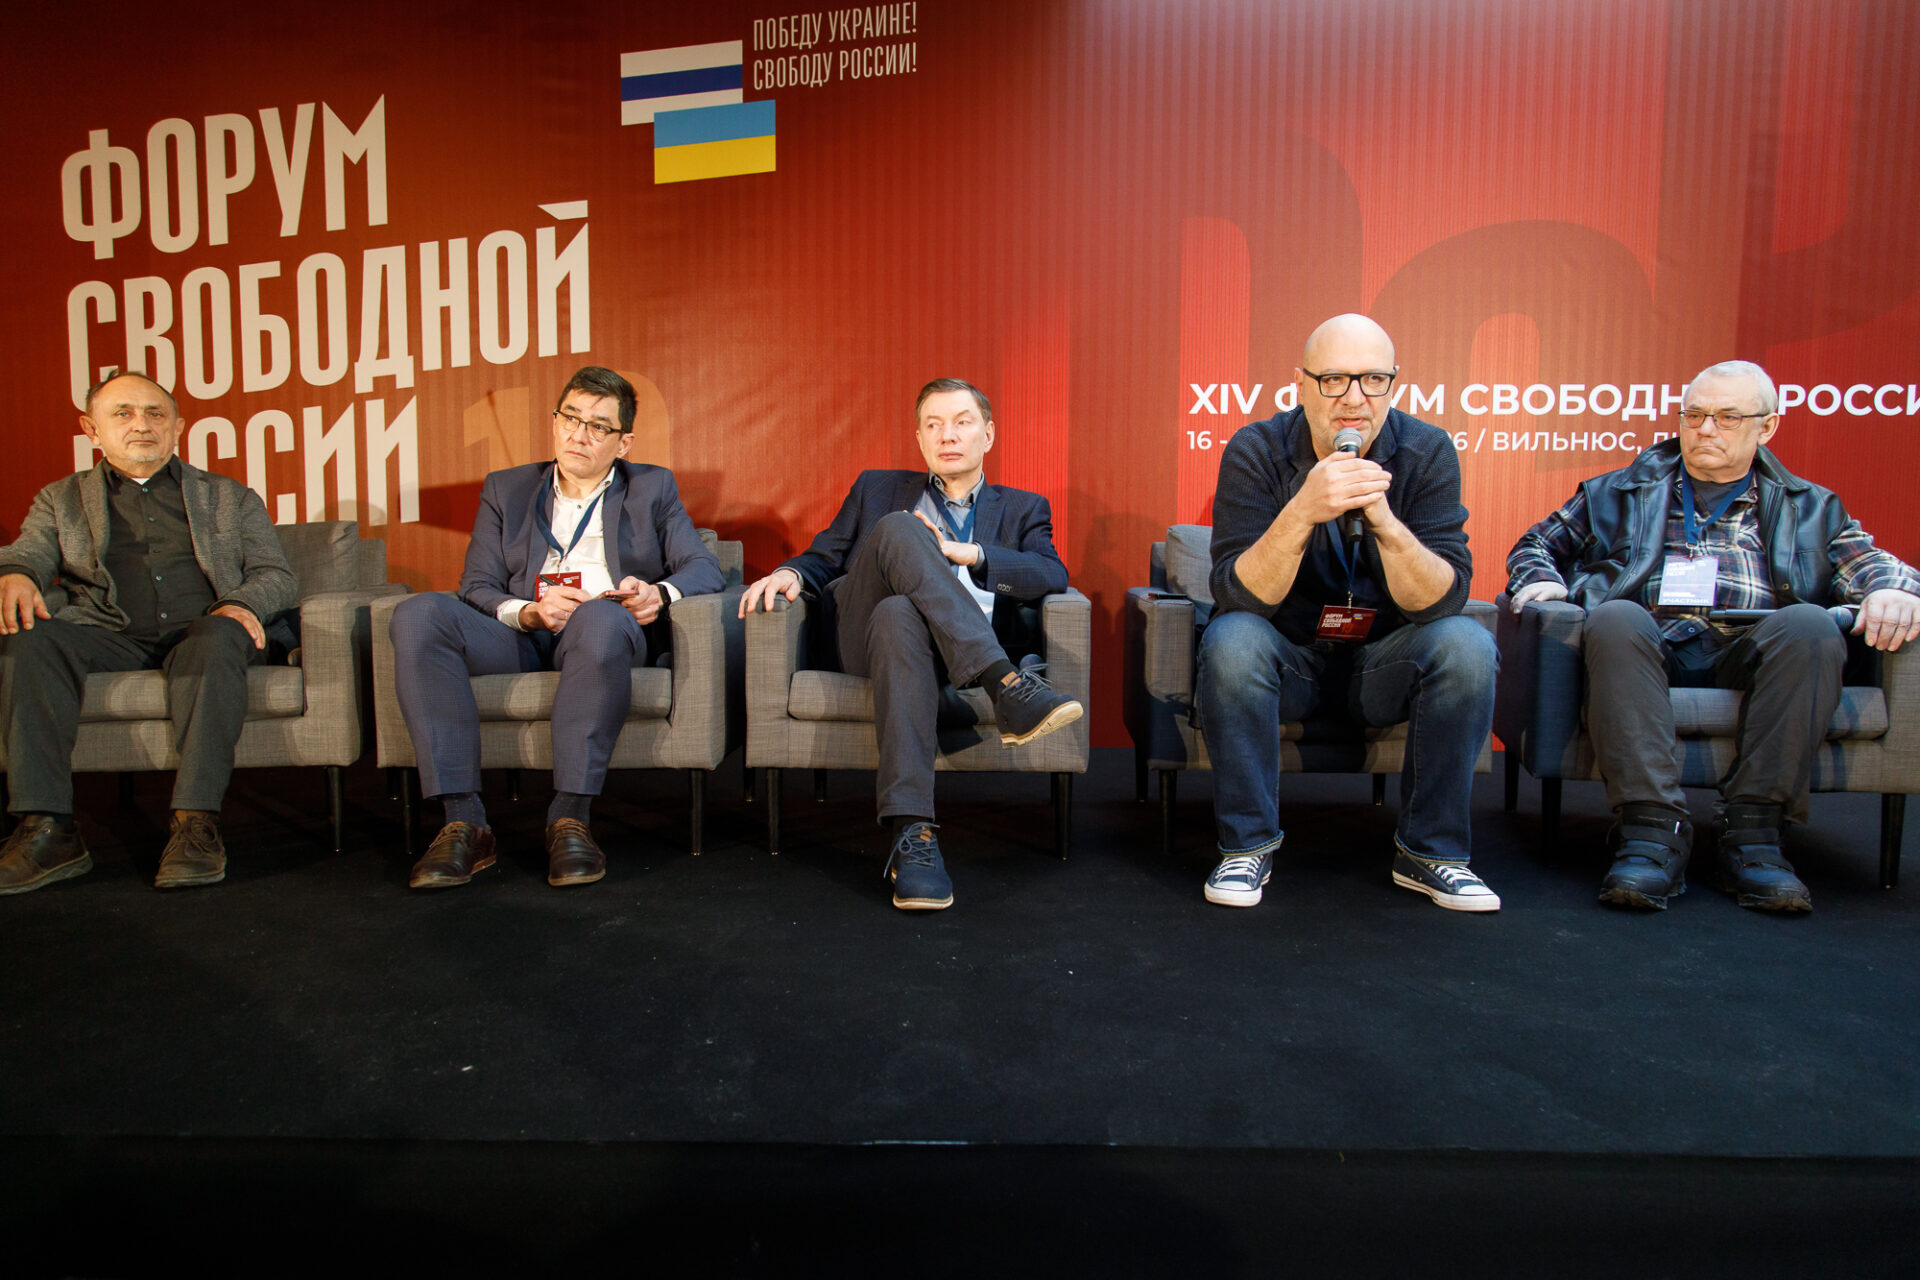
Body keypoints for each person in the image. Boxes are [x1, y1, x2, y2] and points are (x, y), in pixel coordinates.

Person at [1507, 359, 1920, 913]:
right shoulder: (1617, 491)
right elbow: (1535, 544)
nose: (1705, 429)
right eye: (1694, 415)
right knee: (1614, 617)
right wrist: (1541, 579)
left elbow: (1871, 563)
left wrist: (1894, 588)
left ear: (1766, 427)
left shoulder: (1812, 507)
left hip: (1754, 644)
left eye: (1727, 417)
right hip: (1648, 639)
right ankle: (1651, 831)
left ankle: (1754, 834)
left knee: (1809, 625)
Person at [738, 377, 1082, 911]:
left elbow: (1051, 573)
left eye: (962, 422)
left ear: (988, 434)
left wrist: (971, 554)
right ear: (919, 439)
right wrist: (790, 572)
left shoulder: (1023, 508)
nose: (948, 435)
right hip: (861, 640)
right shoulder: (877, 490)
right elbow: (824, 556)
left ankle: (913, 833)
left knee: (900, 613)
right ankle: (1006, 685)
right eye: (933, 425)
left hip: (930, 651)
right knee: (899, 529)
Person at [1195, 314, 1500, 911]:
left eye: (1373, 380)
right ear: (1300, 384)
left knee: (1466, 645)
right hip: (1290, 659)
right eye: (1333, 379)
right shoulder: (1256, 449)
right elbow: (1239, 595)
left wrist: (1385, 521)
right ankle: (1247, 847)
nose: (1355, 399)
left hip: (1385, 662)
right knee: (1231, 638)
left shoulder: (1427, 450)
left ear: (1394, 383)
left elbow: (1443, 598)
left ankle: (1431, 854)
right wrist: (1302, 510)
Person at [387, 366, 724, 890]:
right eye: (570, 418)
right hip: (520, 632)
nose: (578, 435)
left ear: (624, 443)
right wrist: (528, 611)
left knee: (600, 617)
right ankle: (464, 822)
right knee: (416, 614)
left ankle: (570, 818)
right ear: (555, 421)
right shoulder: (507, 488)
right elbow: (476, 584)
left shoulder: (652, 487)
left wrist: (657, 594)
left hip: (602, 629)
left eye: (598, 426)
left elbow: (703, 567)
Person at [0, 371, 297, 893]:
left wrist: (238, 604)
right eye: (123, 413)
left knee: (217, 636)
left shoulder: (229, 497)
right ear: (91, 429)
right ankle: (49, 829)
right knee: (27, 639)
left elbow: (275, 574)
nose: (141, 424)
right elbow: (29, 551)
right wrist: (16, 573)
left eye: (155, 413)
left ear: (177, 428)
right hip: (107, 634)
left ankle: (195, 824)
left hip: (205, 632)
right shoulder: (60, 499)